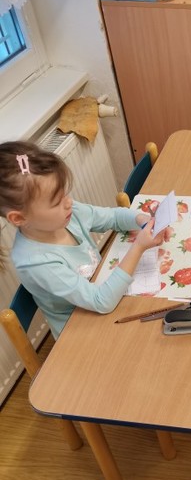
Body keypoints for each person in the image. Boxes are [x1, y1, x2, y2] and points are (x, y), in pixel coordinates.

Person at [0, 141, 170, 339]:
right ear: (18, 218)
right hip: (78, 333)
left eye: (65, 194)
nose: (69, 202)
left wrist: (143, 220)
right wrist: (138, 247)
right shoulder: (36, 262)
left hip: (102, 295)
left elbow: (113, 217)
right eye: (56, 202)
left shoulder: (66, 214)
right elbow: (101, 302)